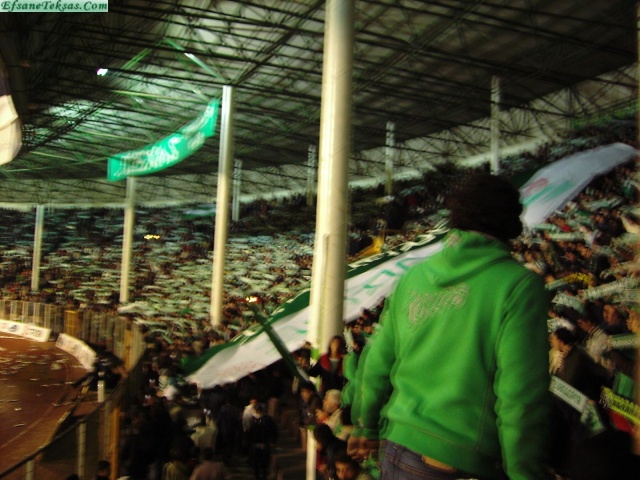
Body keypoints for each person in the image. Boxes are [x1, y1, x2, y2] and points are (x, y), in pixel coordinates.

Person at [349, 173, 552, 479]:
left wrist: (365, 426)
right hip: (454, 461)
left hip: (395, 447)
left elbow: (376, 363)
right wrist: (524, 473)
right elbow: (520, 397)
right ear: (512, 220)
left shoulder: (413, 277)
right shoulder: (519, 287)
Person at [246, 402, 278, 480]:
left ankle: (261, 475)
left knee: (261, 461)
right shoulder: (257, 420)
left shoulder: (259, 420)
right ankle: (259, 475)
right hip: (259, 443)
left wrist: (273, 441)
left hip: (261, 443)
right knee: (259, 461)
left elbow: (273, 431)